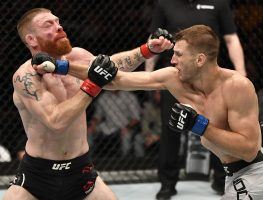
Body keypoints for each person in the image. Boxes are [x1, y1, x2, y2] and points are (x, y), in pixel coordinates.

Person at [38, 24, 263, 200]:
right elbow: (115, 81)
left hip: (256, 174)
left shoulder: (236, 86)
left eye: (179, 54)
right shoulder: (174, 78)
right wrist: (60, 67)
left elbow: (249, 150)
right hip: (232, 174)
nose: (172, 60)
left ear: (200, 59)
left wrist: (200, 126)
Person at [3, 8, 173, 200]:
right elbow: (56, 122)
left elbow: (111, 67)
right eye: (48, 25)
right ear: (31, 39)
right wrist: (93, 84)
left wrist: (148, 50)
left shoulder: (76, 57)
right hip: (37, 176)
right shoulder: (25, 77)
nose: (59, 27)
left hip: (80, 170)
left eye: (58, 22)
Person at [145, 0, 246, 198]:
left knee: (218, 127)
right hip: (176, 77)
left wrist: (240, 72)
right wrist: (150, 75)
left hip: (210, 79)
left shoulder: (218, 3)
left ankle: (220, 178)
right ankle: (167, 183)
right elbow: (154, 40)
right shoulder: (165, 4)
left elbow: (231, 39)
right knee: (171, 129)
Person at [90, 90, 143, 158]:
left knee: (126, 135)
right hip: (108, 125)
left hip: (125, 125)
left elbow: (136, 118)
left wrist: (128, 127)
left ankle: (125, 159)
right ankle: (89, 158)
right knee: (89, 131)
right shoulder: (103, 97)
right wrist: (93, 125)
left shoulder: (130, 97)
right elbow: (98, 116)